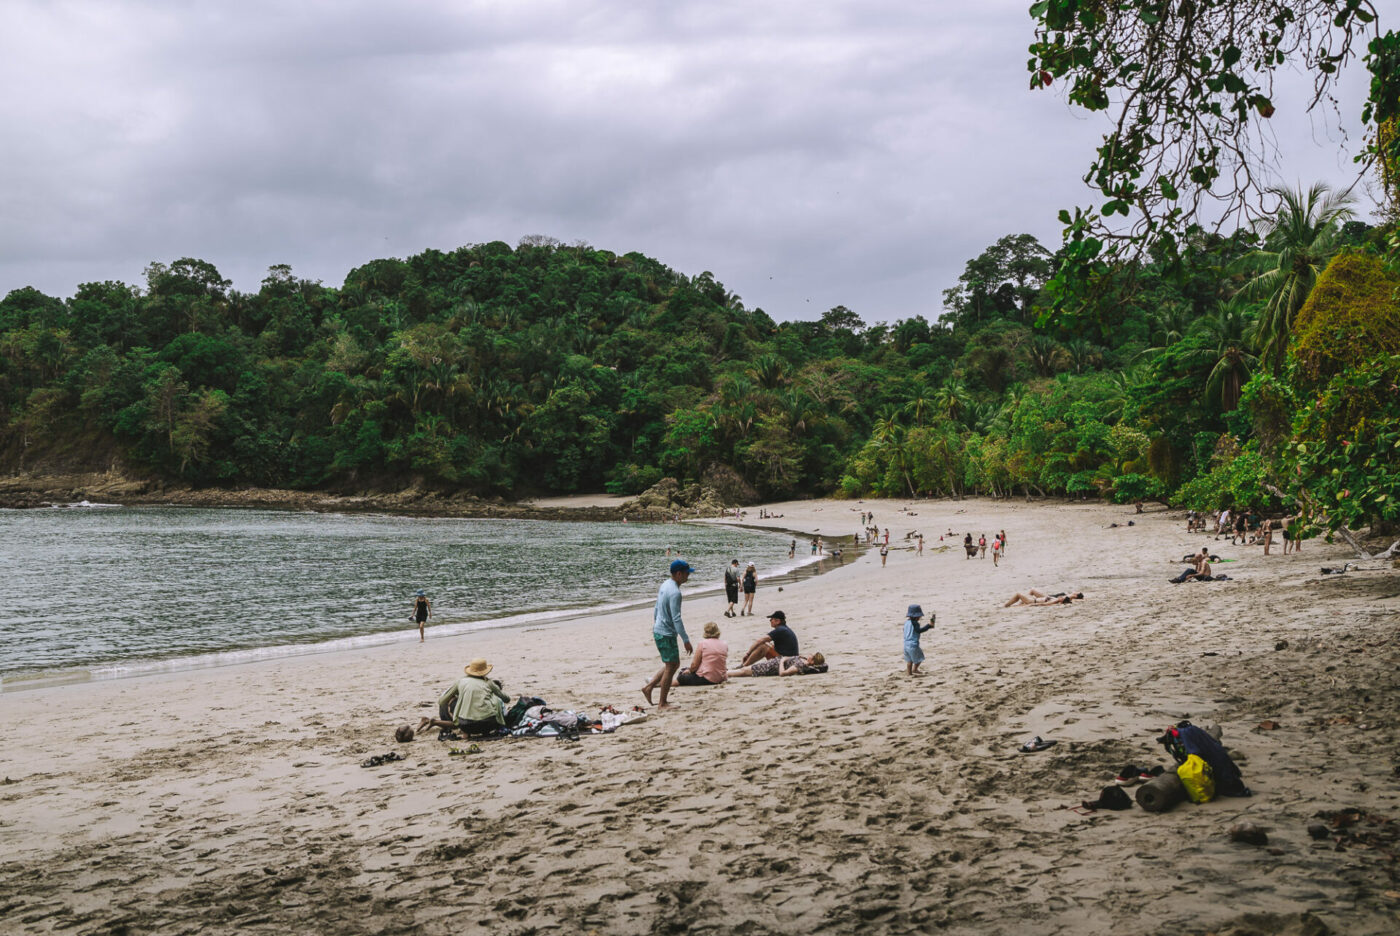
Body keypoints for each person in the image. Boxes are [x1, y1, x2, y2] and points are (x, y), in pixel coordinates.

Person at [642, 559, 694, 710]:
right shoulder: (675, 592)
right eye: (686, 573)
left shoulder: (665, 584)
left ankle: (649, 687)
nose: (688, 576)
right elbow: (676, 618)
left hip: (660, 630)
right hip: (665, 633)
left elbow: (656, 607)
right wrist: (686, 640)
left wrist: (656, 623)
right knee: (672, 666)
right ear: (678, 574)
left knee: (671, 664)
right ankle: (662, 703)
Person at [417, 659, 510, 736]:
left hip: (466, 726)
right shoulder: (489, 683)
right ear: (485, 671)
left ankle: (466, 735)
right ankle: (484, 732)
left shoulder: (461, 682)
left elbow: (441, 701)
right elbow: (507, 699)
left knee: (461, 716)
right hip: (488, 725)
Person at [675, 621, 729, 686]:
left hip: (707, 678)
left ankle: (664, 683)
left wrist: (689, 671)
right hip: (721, 677)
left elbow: (694, 665)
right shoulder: (724, 644)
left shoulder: (703, 644)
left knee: (682, 675)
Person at [728, 652, 825, 678]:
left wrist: (782, 661)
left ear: (812, 661)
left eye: (811, 656)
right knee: (745, 670)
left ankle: (725, 673)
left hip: (770, 667)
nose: (809, 655)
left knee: (744, 671)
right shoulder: (803, 661)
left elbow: (783, 673)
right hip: (773, 663)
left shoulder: (800, 665)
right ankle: (726, 672)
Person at [902, 603, 934, 677]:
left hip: (906, 644)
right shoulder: (915, 623)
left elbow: (904, 630)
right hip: (913, 644)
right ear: (917, 616)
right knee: (919, 658)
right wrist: (928, 626)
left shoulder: (906, 622)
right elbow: (919, 630)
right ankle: (915, 669)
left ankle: (909, 673)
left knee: (909, 660)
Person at [1003, 589, 1084, 606]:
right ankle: (1008, 605)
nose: (1061, 597)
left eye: (1062, 597)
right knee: (1019, 595)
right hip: (1032, 600)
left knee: (1018, 594)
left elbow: (1044, 604)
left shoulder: (1055, 601)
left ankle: (1005, 605)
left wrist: (1030, 605)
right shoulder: (1056, 600)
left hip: (1032, 601)